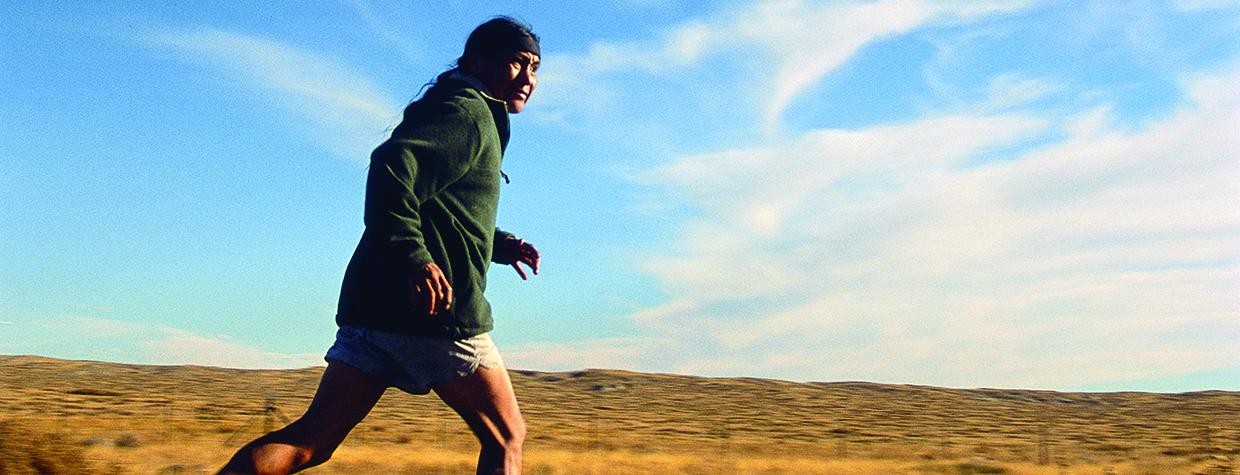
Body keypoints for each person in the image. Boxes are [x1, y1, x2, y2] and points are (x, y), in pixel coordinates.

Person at [217, 16, 541, 475]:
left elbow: (441, 210)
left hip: (373, 310)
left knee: (311, 441)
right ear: (476, 61)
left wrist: (499, 244)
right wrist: (415, 258)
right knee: (507, 436)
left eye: (535, 68)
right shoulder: (466, 112)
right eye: (516, 63)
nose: (528, 78)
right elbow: (393, 167)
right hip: (435, 312)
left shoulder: (458, 109)